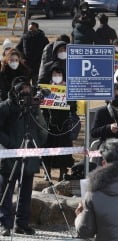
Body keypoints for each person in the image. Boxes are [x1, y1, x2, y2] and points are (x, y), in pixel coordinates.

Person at [0, 77, 48, 236]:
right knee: (5, 191)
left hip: (30, 155)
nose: (26, 92)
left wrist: (38, 143)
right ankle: (4, 223)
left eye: (28, 89)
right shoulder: (5, 107)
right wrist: (12, 144)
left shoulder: (32, 107)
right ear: (15, 91)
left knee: (25, 193)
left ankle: (21, 223)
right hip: (9, 156)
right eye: (22, 89)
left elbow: (42, 129)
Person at [40, 67, 77, 180]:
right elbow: (41, 105)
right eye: (55, 74)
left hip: (64, 123)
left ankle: (63, 172)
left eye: (59, 73)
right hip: (48, 123)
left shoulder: (69, 88)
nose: (57, 76)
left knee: (64, 149)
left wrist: (69, 103)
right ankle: (47, 171)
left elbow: (74, 107)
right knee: (47, 148)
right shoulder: (46, 89)